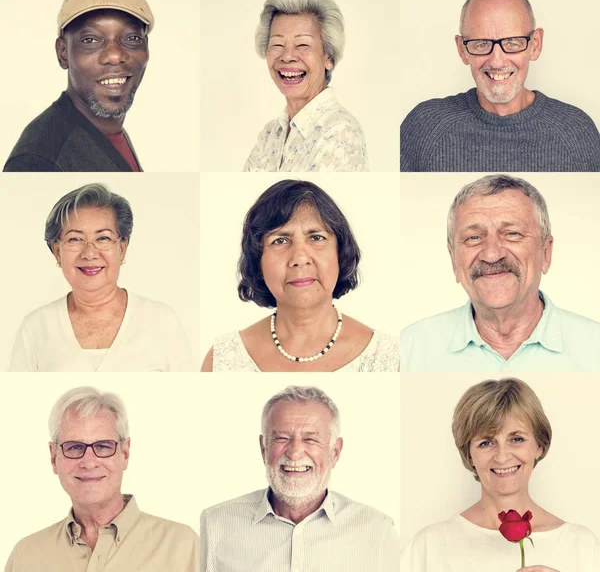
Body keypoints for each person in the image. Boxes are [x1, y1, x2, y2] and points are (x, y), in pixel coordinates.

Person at [400, 174, 600, 372]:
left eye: (512, 234)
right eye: (474, 237)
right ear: (454, 259)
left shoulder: (593, 348)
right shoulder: (411, 349)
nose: (492, 254)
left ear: (546, 252)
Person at [400, 378, 600, 571]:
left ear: (539, 445)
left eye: (517, 439)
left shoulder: (581, 546)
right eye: (486, 443)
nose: (502, 457)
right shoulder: (428, 547)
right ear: (469, 454)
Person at [202, 180, 399, 372]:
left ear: (340, 252)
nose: (300, 258)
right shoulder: (221, 361)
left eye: (316, 237)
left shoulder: (389, 358)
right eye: (280, 240)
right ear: (257, 261)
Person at [400, 0, 600, 171]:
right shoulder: (424, 126)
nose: (497, 61)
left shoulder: (576, 132)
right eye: (481, 44)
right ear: (462, 50)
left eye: (512, 43)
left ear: (536, 45)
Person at [200, 385, 400, 571]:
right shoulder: (216, 523)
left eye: (310, 439)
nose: (294, 453)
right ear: (263, 448)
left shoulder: (378, 532)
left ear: (335, 452)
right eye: (281, 438)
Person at [4, 387, 199, 571]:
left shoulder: (183, 547)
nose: (89, 462)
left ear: (125, 453)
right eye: (74, 447)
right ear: (54, 457)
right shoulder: (25, 557)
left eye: (103, 446)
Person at [8, 183, 194, 371]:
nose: (89, 253)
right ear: (57, 251)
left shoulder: (162, 321)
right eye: (75, 239)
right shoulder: (35, 328)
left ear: (122, 248)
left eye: (103, 238)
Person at [4, 0, 152, 172]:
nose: (115, 56)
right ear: (63, 53)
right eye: (90, 40)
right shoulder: (39, 160)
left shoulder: (108, 131)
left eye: (132, 38)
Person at [243, 0, 368, 172]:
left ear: (328, 57)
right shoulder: (270, 134)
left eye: (302, 44)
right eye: (277, 44)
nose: (287, 56)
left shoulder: (340, 132)